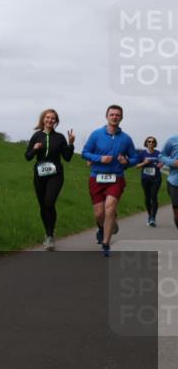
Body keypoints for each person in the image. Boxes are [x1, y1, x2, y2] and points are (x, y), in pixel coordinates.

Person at [80, 105, 138, 257]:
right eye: (112, 114)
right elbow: (84, 153)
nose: (114, 117)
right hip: (96, 177)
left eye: (117, 115)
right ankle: (103, 226)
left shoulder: (126, 138)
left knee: (110, 208)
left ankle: (106, 244)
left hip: (116, 178)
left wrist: (126, 161)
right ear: (106, 116)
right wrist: (99, 158)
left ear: (121, 118)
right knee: (99, 214)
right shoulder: (96, 134)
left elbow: (135, 158)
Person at [24, 109, 74, 250]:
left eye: (53, 118)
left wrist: (70, 144)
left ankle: (50, 235)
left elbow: (68, 158)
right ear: (43, 119)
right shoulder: (36, 136)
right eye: (47, 117)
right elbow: (27, 157)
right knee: (43, 205)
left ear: (56, 121)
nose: (50, 120)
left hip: (56, 174)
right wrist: (34, 149)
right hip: (39, 174)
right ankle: (48, 233)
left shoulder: (59, 138)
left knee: (49, 201)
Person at [133, 136, 163, 227]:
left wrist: (161, 164)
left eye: (152, 141)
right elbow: (136, 166)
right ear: (146, 143)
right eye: (149, 141)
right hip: (145, 179)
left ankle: (153, 218)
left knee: (154, 197)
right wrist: (144, 163)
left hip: (156, 179)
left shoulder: (158, 153)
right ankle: (150, 215)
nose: (151, 143)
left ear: (155, 143)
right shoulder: (142, 153)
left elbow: (163, 162)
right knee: (147, 197)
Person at [157, 134, 178, 230]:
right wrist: (172, 162)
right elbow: (161, 156)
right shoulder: (172, 140)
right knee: (177, 211)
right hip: (175, 181)